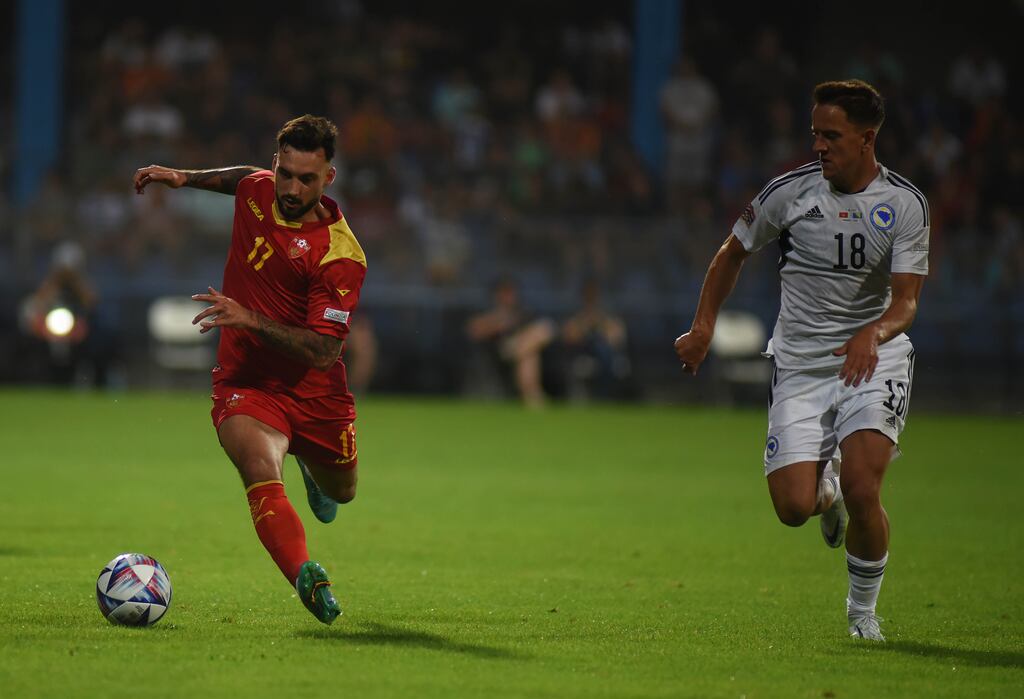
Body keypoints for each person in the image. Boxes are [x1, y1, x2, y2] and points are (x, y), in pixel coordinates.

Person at [674, 80, 929, 642]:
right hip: (801, 366)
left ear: (866, 139)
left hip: (874, 360)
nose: (818, 145)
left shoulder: (905, 204)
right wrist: (702, 327)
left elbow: (907, 299)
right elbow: (731, 253)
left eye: (831, 135)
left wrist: (874, 331)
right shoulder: (788, 193)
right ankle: (826, 488)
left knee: (867, 489)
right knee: (793, 507)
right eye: (815, 133)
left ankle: (862, 614)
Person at [133, 115, 367, 624]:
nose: (290, 187)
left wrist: (250, 318)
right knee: (259, 470)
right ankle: (307, 575)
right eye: (285, 172)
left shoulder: (339, 255)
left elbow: (325, 353)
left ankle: (312, 465)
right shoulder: (263, 187)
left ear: (329, 177)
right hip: (246, 383)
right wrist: (184, 177)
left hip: (314, 392)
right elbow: (243, 178)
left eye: (307, 179)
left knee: (343, 491)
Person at [465, 277, 556, 407]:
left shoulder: (522, 313)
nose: (508, 297)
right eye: (504, 293)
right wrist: (497, 323)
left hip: (518, 351)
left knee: (529, 353)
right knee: (529, 350)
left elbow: (545, 330)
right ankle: (534, 396)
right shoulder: (489, 312)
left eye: (510, 292)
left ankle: (532, 397)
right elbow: (473, 330)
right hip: (499, 355)